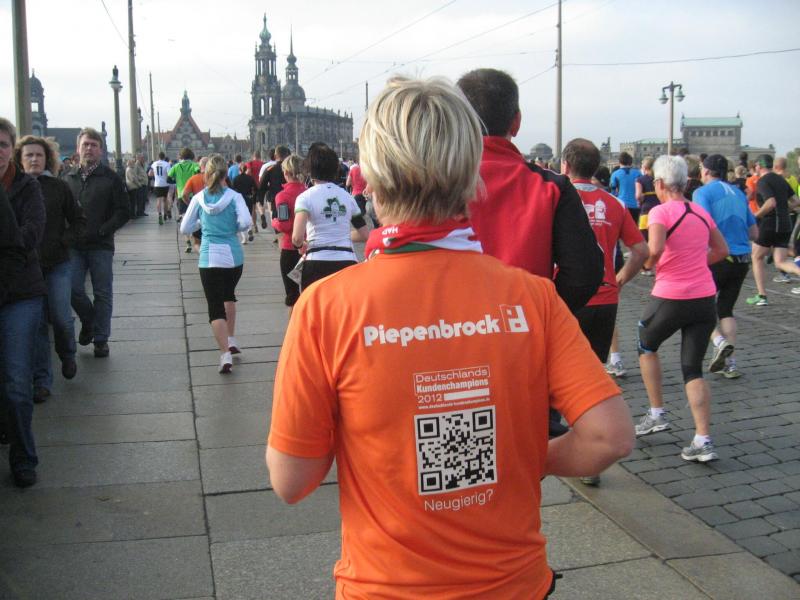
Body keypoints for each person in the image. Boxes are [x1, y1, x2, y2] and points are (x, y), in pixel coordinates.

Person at [267, 76, 633, 599]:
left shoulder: (326, 307)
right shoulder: (533, 297)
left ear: (370, 178)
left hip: (386, 587)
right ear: (471, 172)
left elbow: (291, 480)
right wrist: (521, 456)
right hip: (512, 584)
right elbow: (609, 438)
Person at [456, 68, 603, 437]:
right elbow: (585, 272)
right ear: (516, 122)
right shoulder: (551, 186)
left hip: (448, 345)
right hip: (523, 347)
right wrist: (540, 314)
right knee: (528, 446)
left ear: (455, 120)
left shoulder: (435, 184)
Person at [561, 138, 648, 485]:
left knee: (551, 377)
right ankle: (591, 462)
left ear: (566, 165)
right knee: (592, 378)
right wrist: (620, 279)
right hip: (605, 299)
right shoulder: (614, 203)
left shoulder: (557, 197)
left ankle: (549, 450)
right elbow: (640, 251)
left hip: (565, 299)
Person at [634, 155, 729, 463]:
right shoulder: (701, 212)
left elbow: (656, 248)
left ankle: (657, 412)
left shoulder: (659, 211)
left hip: (671, 295)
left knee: (646, 345)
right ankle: (703, 439)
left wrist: (648, 265)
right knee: (692, 368)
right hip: (704, 297)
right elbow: (722, 250)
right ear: (686, 182)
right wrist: (697, 263)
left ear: (660, 183)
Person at [16, 135, 86, 402]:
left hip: (57, 262)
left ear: (47, 159)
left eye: (39, 155)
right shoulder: (14, 189)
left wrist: (64, 241)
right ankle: (42, 380)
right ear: (20, 160)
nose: (34, 159)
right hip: (26, 268)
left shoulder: (58, 187)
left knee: (60, 316)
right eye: (29, 155)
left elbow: (78, 220)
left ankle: (67, 354)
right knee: (37, 325)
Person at [0, 117, 47, 487]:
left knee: (17, 381)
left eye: (2, 145)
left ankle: (23, 457)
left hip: (19, 292)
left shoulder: (28, 188)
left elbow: (28, 238)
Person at [179, 154, 251, 374]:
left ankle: (224, 354)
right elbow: (246, 222)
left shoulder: (199, 198)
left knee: (214, 305)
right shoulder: (235, 197)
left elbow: (185, 227)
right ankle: (231, 338)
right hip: (233, 256)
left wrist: (202, 222)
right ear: (225, 173)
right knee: (229, 295)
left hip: (209, 256)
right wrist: (233, 227)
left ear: (206, 173)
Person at [64, 128, 129, 358]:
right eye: (85, 144)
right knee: (72, 288)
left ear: (100, 150)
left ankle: (101, 339)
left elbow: (124, 210)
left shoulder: (111, 178)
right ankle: (89, 320)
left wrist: (104, 229)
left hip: (100, 245)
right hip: (74, 245)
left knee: (102, 292)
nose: (89, 149)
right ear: (78, 149)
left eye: (93, 145)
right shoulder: (68, 178)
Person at [693, 154, 757, 379]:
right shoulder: (738, 193)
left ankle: (719, 342)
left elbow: (703, 225)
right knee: (726, 309)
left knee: (699, 306)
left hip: (718, 257)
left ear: (706, 171)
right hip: (742, 259)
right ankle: (730, 363)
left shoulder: (702, 193)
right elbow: (754, 232)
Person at [291, 143, 369, 291]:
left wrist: (301, 246)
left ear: (310, 170)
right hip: (346, 261)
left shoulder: (305, 198)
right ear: (335, 169)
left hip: (316, 262)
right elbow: (365, 234)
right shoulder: (347, 197)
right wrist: (340, 234)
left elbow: (297, 238)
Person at [746, 154, 800, 306]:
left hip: (770, 223)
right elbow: (796, 201)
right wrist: (784, 209)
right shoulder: (781, 179)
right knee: (780, 262)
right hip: (785, 223)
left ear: (759, 166)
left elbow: (770, 203)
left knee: (756, 256)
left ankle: (762, 295)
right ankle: (762, 295)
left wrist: (756, 215)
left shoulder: (763, 181)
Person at [271, 155, 306, 313]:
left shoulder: (282, 196)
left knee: (292, 297)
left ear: (285, 172)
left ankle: (294, 327)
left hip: (290, 249)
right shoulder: (308, 192)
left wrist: (274, 222)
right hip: (309, 249)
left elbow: (284, 225)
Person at [182, 157, 209, 253]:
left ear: (199, 166)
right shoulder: (216, 179)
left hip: (199, 215)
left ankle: (203, 255)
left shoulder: (193, 178)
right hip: (213, 215)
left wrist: (190, 204)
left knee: (197, 242)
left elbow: (184, 195)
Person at [260, 144, 290, 224]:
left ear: (275, 156)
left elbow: (262, 186)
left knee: (281, 224)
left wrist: (261, 200)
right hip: (292, 201)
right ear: (287, 155)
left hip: (277, 202)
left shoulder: (270, 169)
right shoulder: (291, 168)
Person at [610, 152, 642, 223]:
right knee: (634, 226)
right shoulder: (638, 173)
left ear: (619, 162)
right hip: (635, 206)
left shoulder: (615, 174)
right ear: (631, 162)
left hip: (621, 205)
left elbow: (613, 191)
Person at [232, 163, 256, 242]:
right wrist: (253, 195)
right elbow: (255, 188)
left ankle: (244, 238)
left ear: (239, 170)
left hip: (239, 199)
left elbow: (232, 190)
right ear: (246, 169)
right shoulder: (250, 178)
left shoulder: (236, 179)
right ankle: (249, 229)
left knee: (240, 217)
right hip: (248, 198)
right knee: (248, 215)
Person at [149, 151, 172, 225]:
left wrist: (155, 175)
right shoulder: (167, 164)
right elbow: (169, 174)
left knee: (158, 200)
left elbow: (150, 174)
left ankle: (159, 215)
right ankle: (165, 214)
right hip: (165, 184)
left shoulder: (154, 164)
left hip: (157, 184)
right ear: (164, 157)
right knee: (165, 200)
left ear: (158, 157)